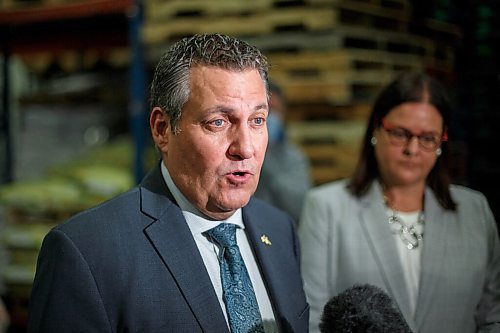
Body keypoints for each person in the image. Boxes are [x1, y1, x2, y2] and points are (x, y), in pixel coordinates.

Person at [27, 33, 309, 333]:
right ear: (162, 130)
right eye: (219, 122)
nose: (246, 148)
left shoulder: (280, 230)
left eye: (257, 120)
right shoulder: (86, 253)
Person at [298, 72, 500, 333]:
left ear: (441, 142)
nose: (412, 149)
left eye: (428, 138)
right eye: (401, 133)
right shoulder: (326, 207)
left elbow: (493, 315)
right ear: (376, 130)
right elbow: (311, 318)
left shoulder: (475, 210)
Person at [254, 80, 312, 222]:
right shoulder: (236, 153)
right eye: (264, 112)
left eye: (274, 111)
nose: (270, 118)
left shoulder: (293, 157)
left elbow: (300, 207)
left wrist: (267, 159)